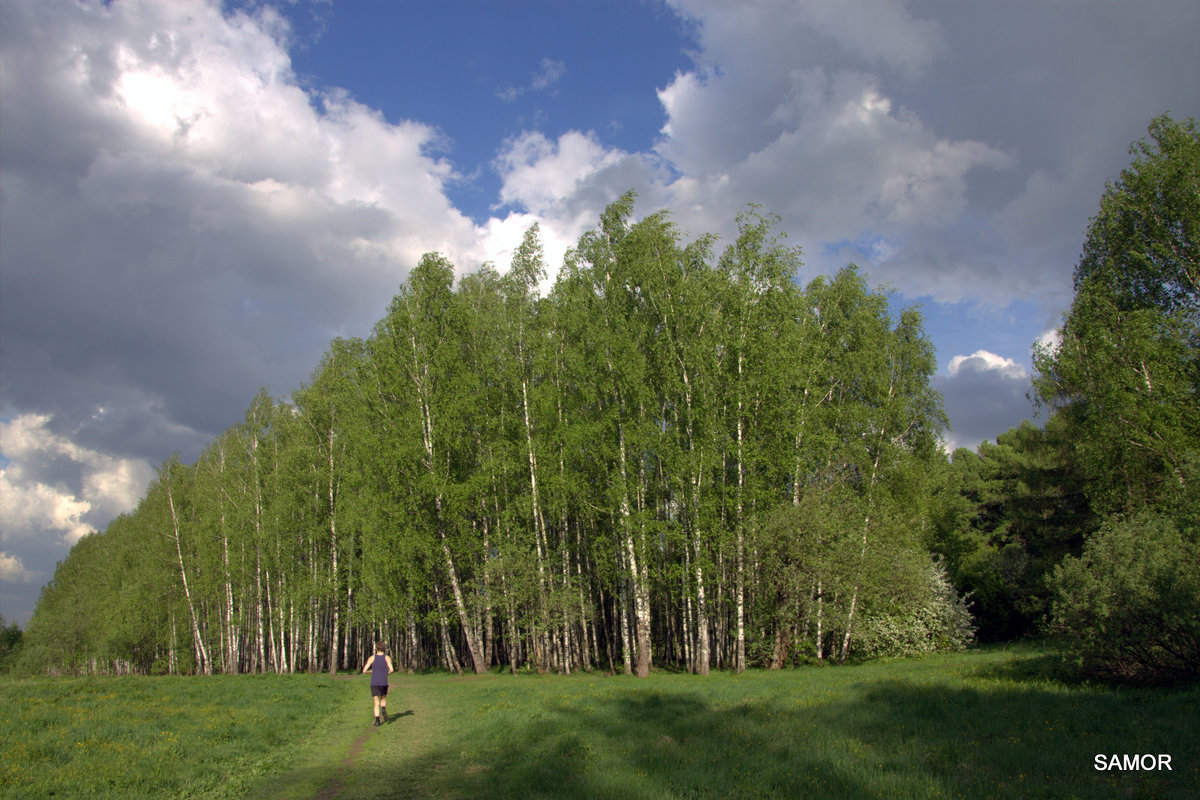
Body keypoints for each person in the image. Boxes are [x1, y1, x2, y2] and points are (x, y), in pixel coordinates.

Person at [362, 641, 394, 726]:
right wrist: (385, 673)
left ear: (376, 648)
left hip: (374, 682)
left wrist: (371, 671)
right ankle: (383, 708)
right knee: (383, 698)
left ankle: (377, 721)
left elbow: (364, 671)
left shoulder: (372, 658)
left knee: (376, 703)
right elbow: (391, 670)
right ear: (384, 648)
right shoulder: (387, 658)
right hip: (383, 681)